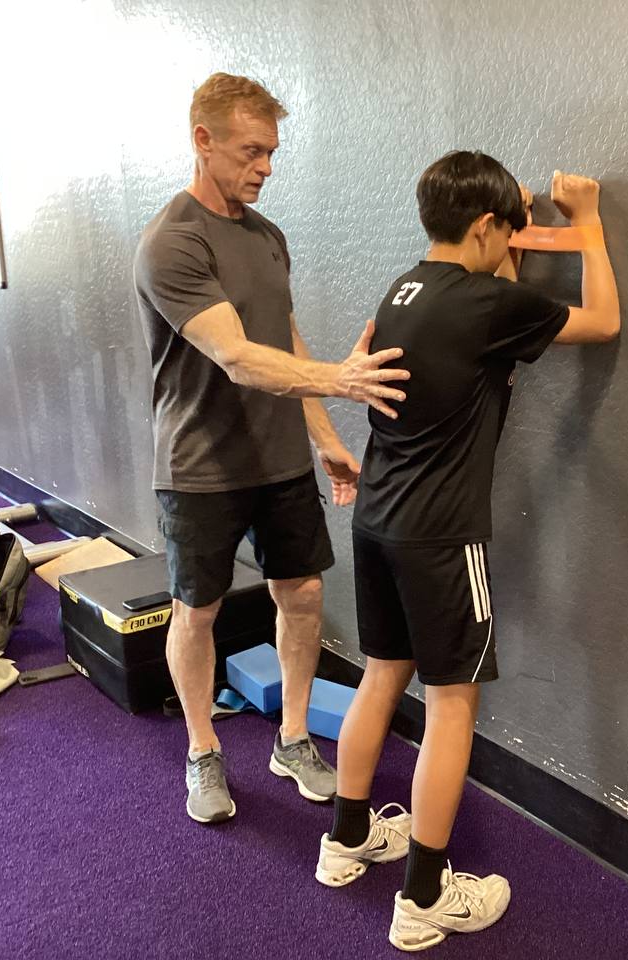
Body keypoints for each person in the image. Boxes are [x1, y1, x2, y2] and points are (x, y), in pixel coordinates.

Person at [314, 151, 620, 951]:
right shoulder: (489, 304)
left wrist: (511, 224)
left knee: (383, 675)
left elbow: (499, 289)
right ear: (485, 227)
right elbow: (603, 321)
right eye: (507, 231)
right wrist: (585, 220)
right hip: (443, 536)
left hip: (377, 521)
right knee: (452, 703)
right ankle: (424, 897)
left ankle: (346, 843)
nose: (513, 243)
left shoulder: (405, 288)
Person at [132, 72, 409, 824]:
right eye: (252, 152)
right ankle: (202, 752)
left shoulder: (266, 235)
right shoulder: (173, 242)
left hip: (279, 459)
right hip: (199, 467)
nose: (265, 168)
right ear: (203, 140)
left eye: (272, 153)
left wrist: (323, 436)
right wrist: (346, 382)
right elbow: (238, 359)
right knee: (197, 613)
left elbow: (279, 338)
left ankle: (290, 740)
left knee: (306, 593)